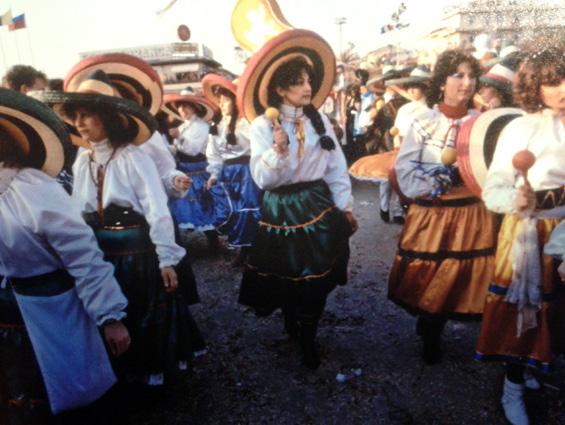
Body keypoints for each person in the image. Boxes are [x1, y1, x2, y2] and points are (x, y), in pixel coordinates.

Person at [42, 70, 200, 387]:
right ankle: (123, 371)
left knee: (144, 309)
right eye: (77, 116)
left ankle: (154, 376)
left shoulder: (132, 156)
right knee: (119, 310)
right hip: (105, 251)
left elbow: (156, 208)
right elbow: (80, 211)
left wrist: (166, 258)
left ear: (109, 118)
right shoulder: (84, 161)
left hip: (137, 249)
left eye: (88, 115)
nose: (80, 123)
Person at [0, 88, 129, 424]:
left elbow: (82, 254)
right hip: (12, 315)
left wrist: (110, 316)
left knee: (73, 394)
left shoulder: (30, 187)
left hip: (57, 308)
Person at [237, 29, 358, 369]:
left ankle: (308, 336)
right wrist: (278, 150)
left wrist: (345, 206)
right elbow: (263, 179)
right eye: (298, 82)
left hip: (317, 205)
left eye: (308, 80)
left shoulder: (319, 122)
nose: (307, 87)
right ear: (279, 89)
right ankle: (293, 319)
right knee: (286, 273)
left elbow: (336, 167)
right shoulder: (262, 126)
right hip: (281, 208)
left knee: (317, 275)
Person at [388, 50, 497, 364]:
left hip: (472, 212)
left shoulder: (480, 123)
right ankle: (431, 329)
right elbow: (405, 170)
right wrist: (437, 181)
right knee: (432, 274)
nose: (466, 82)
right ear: (442, 81)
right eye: (457, 75)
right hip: (433, 212)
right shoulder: (422, 121)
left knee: (460, 275)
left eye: (470, 76)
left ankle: (436, 324)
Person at [474, 48, 564, 425]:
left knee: (556, 311)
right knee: (522, 311)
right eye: (553, 81)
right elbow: (491, 190)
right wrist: (517, 197)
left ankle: (535, 366)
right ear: (534, 85)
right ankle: (512, 387)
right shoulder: (518, 128)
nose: (563, 88)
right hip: (528, 229)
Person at [202, 74, 262, 265]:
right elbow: (214, 154)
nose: (221, 104)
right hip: (228, 174)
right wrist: (213, 175)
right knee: (232, 211)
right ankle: (242, 246)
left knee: (248, 210)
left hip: (246, 171)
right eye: (219, 100)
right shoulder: (216, 127)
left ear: (235, 102)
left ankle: (249, 250)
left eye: (226, 100)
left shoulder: (246, 123)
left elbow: (259, 145)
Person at [165, 91, 223, 252]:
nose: (183, 109)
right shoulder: (183, 126)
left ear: (195, 108)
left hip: (197, 170)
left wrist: (179, 138)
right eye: (180, 107)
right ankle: (179, 245)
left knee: (201, 206)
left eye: (186, 106)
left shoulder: (201, 126)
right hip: (183, 170)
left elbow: (193, 150)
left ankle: (214, 242)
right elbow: (179, 150)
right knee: (181, 205)